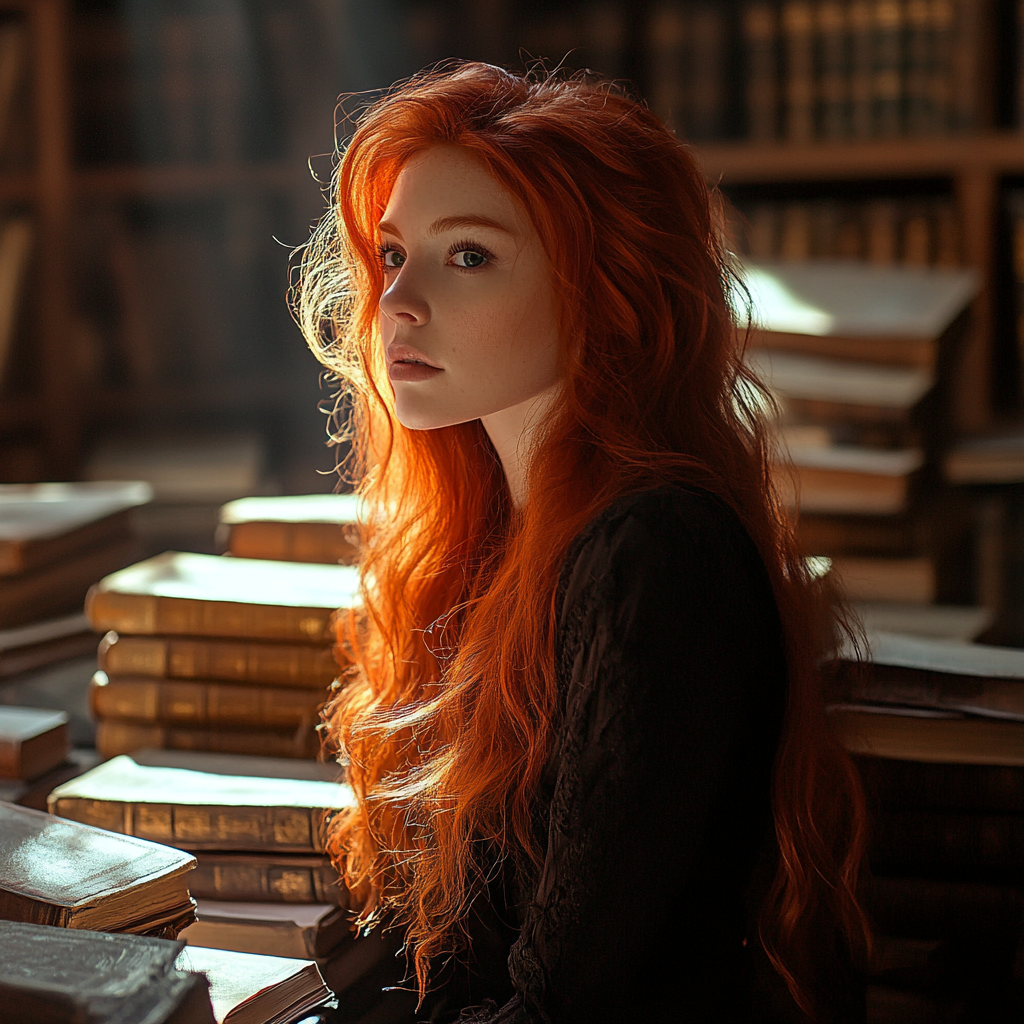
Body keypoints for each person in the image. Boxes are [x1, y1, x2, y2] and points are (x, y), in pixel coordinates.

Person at [295, 62, 871, 1024]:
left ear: (603, 289)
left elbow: (564, 1006)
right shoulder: (486, 542)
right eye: (393, 256)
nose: (399, 301)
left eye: (468, 256)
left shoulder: (655, 554)